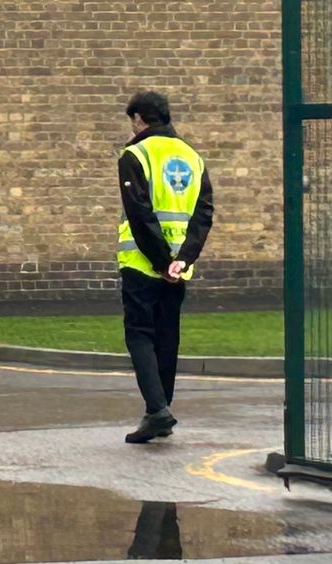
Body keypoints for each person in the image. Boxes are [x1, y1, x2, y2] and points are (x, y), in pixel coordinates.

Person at [118, 91, 214, 444]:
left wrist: (160, 262)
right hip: (178, 267)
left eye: (132, 120)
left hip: (143, 264)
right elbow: (204, 213)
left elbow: (139, 213)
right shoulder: (192, 156)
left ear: (140, 119)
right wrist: (183, 260)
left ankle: (157, 410)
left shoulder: (134, 155)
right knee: (167, 337)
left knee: (140, 335)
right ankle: (160, 409)